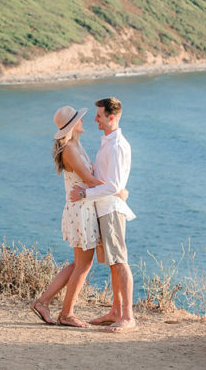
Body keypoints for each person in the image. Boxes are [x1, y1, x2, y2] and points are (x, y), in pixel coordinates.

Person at [30, 105, 128, 328]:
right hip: (80, 210)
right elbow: (91, 181)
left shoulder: (74, 145)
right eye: (80, 119)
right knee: (83, 265)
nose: (86, 121)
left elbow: (91, 179)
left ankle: (43, 302)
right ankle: (66, 314)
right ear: (73, 126)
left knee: (79, 263)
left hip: (83, 207)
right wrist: (119, 190)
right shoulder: (70, 150)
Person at [69, 97, 136, 333]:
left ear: (111, 117)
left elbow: (114, 185)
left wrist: (85, 193)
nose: (95, 119)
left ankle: (127, 316)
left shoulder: (117, 145)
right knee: (112, 264)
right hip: (103, 208)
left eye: (98, 115)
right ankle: (115, 311)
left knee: (120, 261)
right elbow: (109, 180)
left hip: (111, 209)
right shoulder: (108, 142)